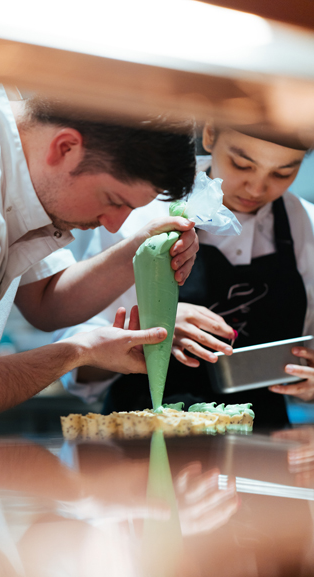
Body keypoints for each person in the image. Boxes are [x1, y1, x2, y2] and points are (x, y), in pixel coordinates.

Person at [0, 81, 199, 442]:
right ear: (65, 147)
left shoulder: (12, 135)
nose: (115, 223)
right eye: (113, 200)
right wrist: (79, 352)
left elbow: (46, 300)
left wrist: (138, 250)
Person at [55, 122, 314, 428]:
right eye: (241, 164)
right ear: (210, 134)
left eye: (282, 173)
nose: (257, 188)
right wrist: (152, 330)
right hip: (146, 440)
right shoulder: (142, 210)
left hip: (263, 445)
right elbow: (76, 363)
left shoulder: (306, 227)